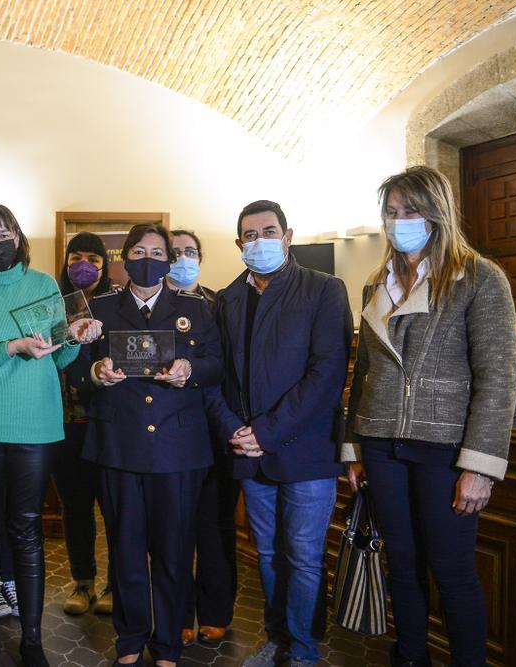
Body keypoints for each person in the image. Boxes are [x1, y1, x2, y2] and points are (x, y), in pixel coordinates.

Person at [344, 166, 516, 667]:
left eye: (411, 211)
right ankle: (410, 657)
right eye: (392, 212)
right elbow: (362, 375)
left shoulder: (480, 278)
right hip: (381, 443)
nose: (400, 221)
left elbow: (498, 379)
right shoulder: (377, 283)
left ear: (437, 213)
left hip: (444, 449)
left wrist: (480, 467)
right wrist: (353, 448)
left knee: (452, 571)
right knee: (402, 565)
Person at [0, 204, 102, 667]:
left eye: (4, 231)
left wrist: (74, 336)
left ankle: (32, 639)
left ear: (18, 236)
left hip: (35, 425)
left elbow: (57, 358)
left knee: (28, 530)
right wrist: (11, 346)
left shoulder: (45, 285)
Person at [208, 200, 352, 667]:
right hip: (250, 451)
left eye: (268, 232)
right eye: (250, 235)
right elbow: (219, 377)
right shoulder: (227, 299)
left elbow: (327, 373)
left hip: (305, 449)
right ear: (238, 245)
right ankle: (277, 639)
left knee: (304, 558)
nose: (259, 242)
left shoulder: (324, 289)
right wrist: (235, 430)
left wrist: (265, 431)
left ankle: (304, 651)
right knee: (267, 553)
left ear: (288, 236)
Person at [85, 222, 222, 667]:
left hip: (178, 449)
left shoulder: (196, 308)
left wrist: (190, 370)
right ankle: (129, 640)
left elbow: (217, 364)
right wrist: (94, 372)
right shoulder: (100, 306)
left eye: (158, 252)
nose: (150, 259)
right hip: (118, 446)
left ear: (170, 260)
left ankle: (167, 645)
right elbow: (74, 364)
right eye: (140, 251)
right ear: (124, 258)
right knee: (124, 549)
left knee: (174, 551)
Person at [168, 229, 237, 647]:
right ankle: (176, 612)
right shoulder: (151, 304)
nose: (181, 258)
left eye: (189, 252)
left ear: (201, 257)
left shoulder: (221, 304)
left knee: (215, 527)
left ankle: (215, 609)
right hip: (170, 433)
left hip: (216, 433)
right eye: (173, 252)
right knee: (173, 530)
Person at [52, 231, 115, 616]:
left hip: (107, 424)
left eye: (94, 257)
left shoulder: (115, 304)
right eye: (77, 256)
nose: (84, 264)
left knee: (114, 508)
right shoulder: (52, 306)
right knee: (74, 508)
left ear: (105, 265)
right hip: (63, 423)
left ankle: (115, 584)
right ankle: (83, 582)